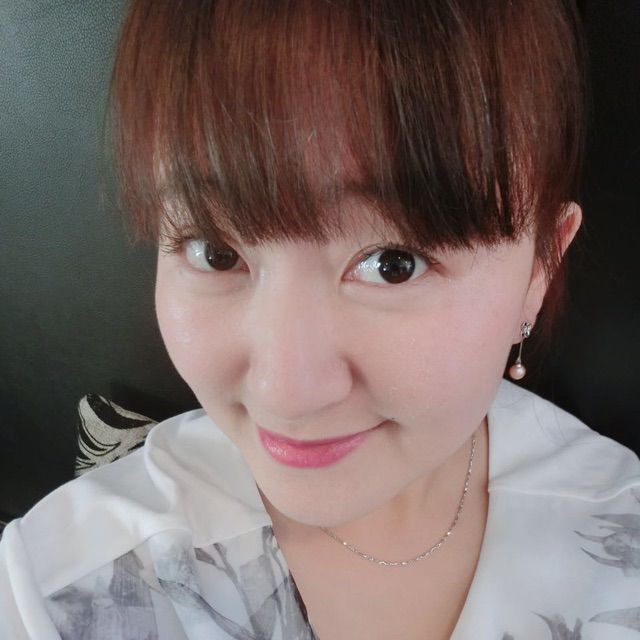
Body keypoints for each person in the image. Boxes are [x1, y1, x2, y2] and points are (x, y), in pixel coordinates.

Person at [1, 1, 639, 639]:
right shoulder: (56, 588)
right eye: (215, 253)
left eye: (394, 265)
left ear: (541, 265)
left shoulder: (622, 534)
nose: (286, 394)